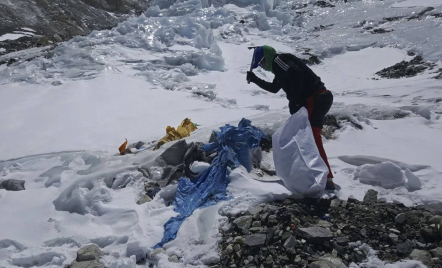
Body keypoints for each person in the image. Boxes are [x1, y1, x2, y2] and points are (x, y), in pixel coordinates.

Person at [246, 45, 335, 190]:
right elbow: (274, 88)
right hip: (318, 98)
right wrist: (255, 79)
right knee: (308, 137)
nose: (261, 66)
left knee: (312, 138)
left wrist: (295, 99)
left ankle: (325, 178)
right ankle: (319, 175)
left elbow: (296, 72)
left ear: (266, 57)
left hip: (315, 98)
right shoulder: (279, 70)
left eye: (261, 63)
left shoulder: (279, 60)